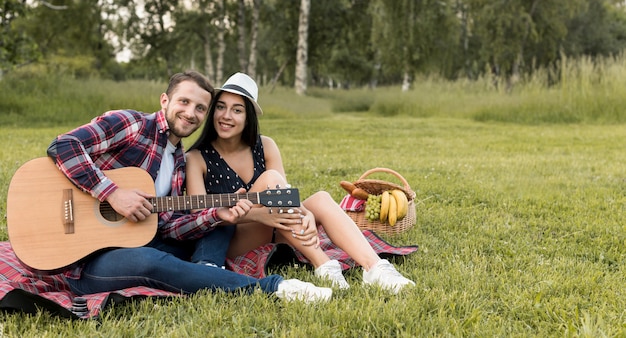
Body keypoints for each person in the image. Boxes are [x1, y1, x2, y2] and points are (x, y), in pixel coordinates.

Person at [46, 70, 332, 303]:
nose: (190, 113)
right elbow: (63, 145)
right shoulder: (131, 124)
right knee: (150, 260)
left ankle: (207, 272)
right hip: (85, 259)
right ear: (165, 101)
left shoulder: (180, 161)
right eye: (183, 102)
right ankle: (275, 288)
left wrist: (215, 216)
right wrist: (112, 193)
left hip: (139, 238)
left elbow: (169, 226)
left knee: (217, 218)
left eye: (200, 108)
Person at [186, 72, 416, 294]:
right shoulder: (197, 157)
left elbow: (283, 197)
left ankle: (375, 268)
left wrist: (304, 212)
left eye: (237, 110)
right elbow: (199, 216)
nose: (226, 116)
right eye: (221, 107)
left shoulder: (265, 146)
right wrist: (260, 216)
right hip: (233, 238)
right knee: (271, 179)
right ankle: (324, 264)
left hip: (276, 225)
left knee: (321, 199)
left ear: (248, 118)